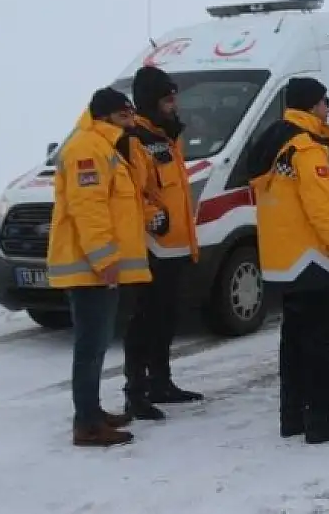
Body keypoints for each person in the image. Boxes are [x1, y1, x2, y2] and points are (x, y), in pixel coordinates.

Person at [245, 77, 329, 444]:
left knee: (293, 343)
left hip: (285, 260)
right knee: (318, 343)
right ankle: (320, 420)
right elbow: (322, 208)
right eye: (326, 101)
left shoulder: (277, 142)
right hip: (314, 260)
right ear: (312, 104)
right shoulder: (307, 147)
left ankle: (292, 416)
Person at [48, 88, 153, 447]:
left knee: (96, 344)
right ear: (105, 116)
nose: (131, 121)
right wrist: (104, 259)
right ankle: (88, 425)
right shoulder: (86, 149)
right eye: (124, 115)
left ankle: (91, 412)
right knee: (90, 346)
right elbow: (88, 209)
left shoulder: (102, 146)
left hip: (94, 267)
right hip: (89, 268)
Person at [121, 66, 203, 422]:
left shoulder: (169, 136)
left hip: (176, 247)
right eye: (168, 99)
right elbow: (131, 191)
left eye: (174, 98)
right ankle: (135, 393)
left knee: (167, 318)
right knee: (143, 322)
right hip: (150, 248)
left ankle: (162, 382)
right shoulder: (135, 138)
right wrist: (152, 213)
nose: (174, 105)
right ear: (151, 101)